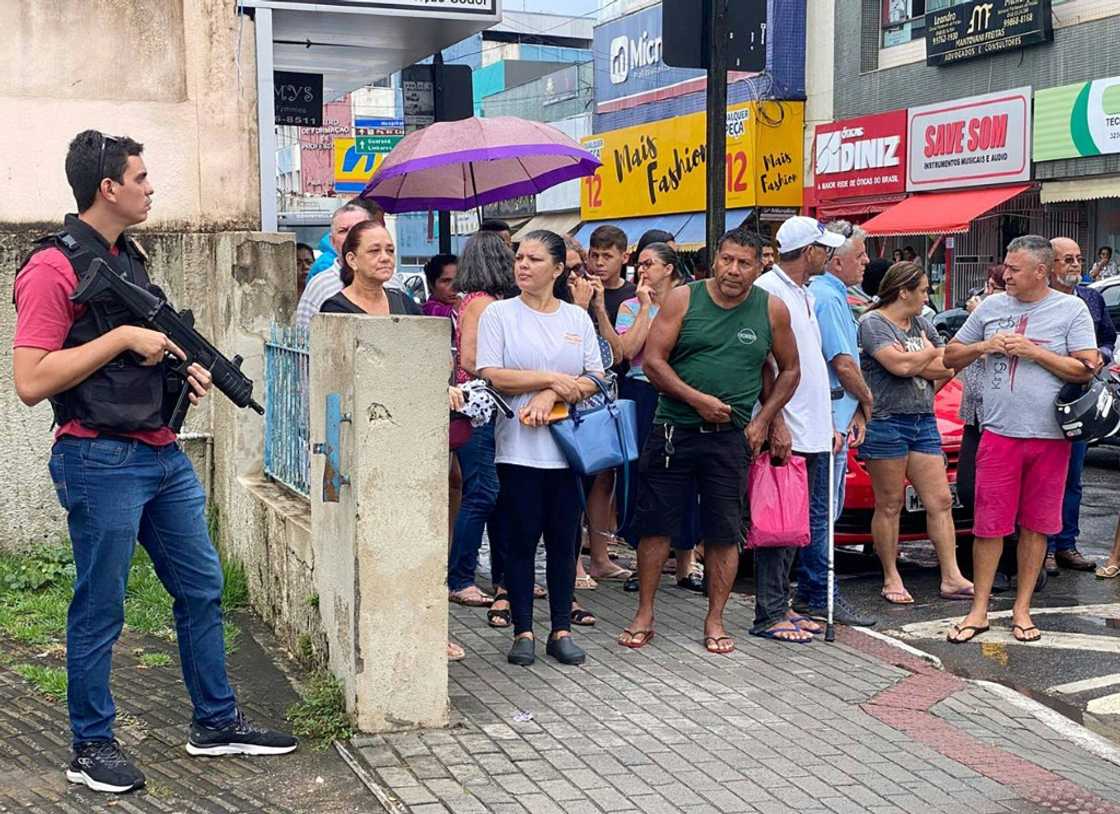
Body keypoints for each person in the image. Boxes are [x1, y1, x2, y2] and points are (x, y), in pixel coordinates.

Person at [11, 131, 297, 795]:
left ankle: (216, 722)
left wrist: (181, 373)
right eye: (140, 176)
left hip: (160, 456)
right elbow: (31, 380)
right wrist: (120, 337)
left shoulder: (130, 258)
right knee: (101, 607)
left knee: (202, 588)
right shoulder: (52, 268)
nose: (150, 186)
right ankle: (90, 745)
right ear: (107, 187)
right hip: (97, 459)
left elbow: (143, 352)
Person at [618, 228, 799, 654]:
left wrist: (765, 421)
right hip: (672, 430)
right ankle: (644, 612)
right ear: (715, 259)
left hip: (731, 438)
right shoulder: (685, 299)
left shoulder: (771, 309)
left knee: (724, 531)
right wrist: (696, 400)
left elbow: (789, 370)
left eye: (744, 263)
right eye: (727, 260)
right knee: (656, 525)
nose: (733, 270)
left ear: (760, 267)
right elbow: (655, 362)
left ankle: (715, 620)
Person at [944, 235, 1099, 644]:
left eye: (1014, 269)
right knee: (988, 526)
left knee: (1037, 526)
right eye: (1006, 267)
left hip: (1051, 438)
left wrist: (1034, 352)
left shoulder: (1071, 309)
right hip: (998, 433)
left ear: (1040, 272)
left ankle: (1022, 610)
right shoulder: (992, 307)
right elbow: (950, 355)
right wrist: (983, 345)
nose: (1005, 275)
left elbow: (1085, 367)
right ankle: (978, 610)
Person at [476, 230, 606, 667]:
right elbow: (494, 374)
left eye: (534, 259)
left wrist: (555, 396)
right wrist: (549, 380)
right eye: (519, 257)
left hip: (568, 449)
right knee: (519, 540)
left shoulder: (576, 318)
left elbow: (595, 377)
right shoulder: (500, 315)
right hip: (517, 448)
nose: (523, 265)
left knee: (565, 541)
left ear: (557, 269)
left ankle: (560, 629)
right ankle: (523, 629)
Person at [750, 217, 846, 642]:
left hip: (813, 427)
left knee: (800, 524)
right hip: (791, 429)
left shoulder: (802, 292)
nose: (830, 255)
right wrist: (777, 423)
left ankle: (784, 606)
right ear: (810, 252)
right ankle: (769, 612)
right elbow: (766, 365)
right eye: (825, 248)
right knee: (780, 521)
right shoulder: (771, 292)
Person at [858, 262, 973, 605]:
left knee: (939, 500)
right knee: (890, 503)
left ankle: (951, 575)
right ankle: (891, 576)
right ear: (903, 291)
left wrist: (926, 359)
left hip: (923, 419)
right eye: (923, 290)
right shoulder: (873, 323)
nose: (927, 297)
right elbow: (899, 364)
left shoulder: (922, 324)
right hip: (886, 419)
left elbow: (947, 364)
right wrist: (928, 355)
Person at [800, 220, 878, 626]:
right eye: (860, 255)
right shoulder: (827, 298)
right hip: (827, 420)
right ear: (835, 260)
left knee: (825, 509)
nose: (866, 262)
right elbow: (842, 364)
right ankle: (819, 591)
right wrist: (868, 401)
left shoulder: (837, 295)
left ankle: (814, 588)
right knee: (821, 511)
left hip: (839, 416)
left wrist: (860, 410)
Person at [614, 242, 704, 593]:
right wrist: (646, 308)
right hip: (642, 393)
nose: (642, 270)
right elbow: (629, 351)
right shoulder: (630, 305)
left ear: (669, 268)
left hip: (680, 392)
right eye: (639, 264)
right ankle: (643, 561)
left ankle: (686, 562)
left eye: (649, 264)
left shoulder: (691, 301)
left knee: (686, 475)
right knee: (643, 475)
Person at [447, 233, 515, 617]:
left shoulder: (474, 301)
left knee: (492, 492)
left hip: (484, 407)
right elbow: (472, 359)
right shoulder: (483, 304)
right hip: (480, 407)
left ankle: (503, 576)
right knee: (483, 492)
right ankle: (461, 578)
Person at [1045, 237, 1117, 574]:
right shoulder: (1037, 300)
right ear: (1049, 265)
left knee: (1073, 477)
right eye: (1067, 259)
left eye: (1078, 258)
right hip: (1041, 401)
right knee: (1045, 479)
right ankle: (1041, 547)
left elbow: (1107, 337)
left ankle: (1065, 544)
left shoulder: (1090, 298)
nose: (1075, 265)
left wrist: (1101, 356)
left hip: (1080, 399)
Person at [573, 225, 634, 582]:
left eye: (607, 256)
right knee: (577, 478)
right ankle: (575, 561)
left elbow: (619, 355)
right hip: (579, 398)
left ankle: (600, 555)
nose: (598, 263)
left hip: (613, 397)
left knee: (606, 477)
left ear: (623, 257)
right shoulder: (572, 292)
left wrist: (599, 309)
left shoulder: (626, 297)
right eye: (594, 255)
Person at [295, 202, 400, 330]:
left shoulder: (394, 284)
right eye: (343, 231)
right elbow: (303, 337)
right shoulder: (319, 286)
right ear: (332, 241)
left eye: (359, 229)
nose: (351, 236)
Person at [318, 221, 422, 317]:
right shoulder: (335, 309)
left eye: (390, 250)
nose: (385, 258)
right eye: (374, 250)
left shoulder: (403, 301)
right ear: (352, 260)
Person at [421, 253, 458, 318]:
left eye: (458, 280)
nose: (454, 287)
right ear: (431, 284)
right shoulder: (430, 309)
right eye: (446, 281)